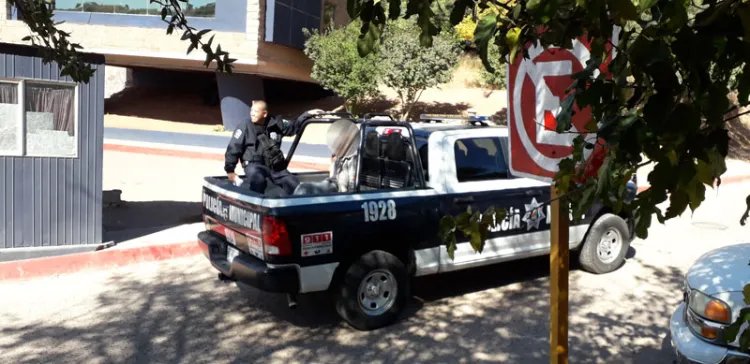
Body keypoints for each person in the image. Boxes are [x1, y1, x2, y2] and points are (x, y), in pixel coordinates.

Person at [224, 100, 323, 195]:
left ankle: (295, 208)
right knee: (258, 180)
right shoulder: (245, 126)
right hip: (254, 165)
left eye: (255, 111)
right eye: (251, 111)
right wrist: (230, 171)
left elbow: (293, 126)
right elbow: (233, 148)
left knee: (293, 183)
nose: (252, 114)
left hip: (275, 167)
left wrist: (307, 114)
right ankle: (256, 206)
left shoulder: (276, 123)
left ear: (264, 114)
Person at [292, 119, 361, 195]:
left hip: (338, 189)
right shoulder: (338, 155)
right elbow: (332, 174)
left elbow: (352, 184)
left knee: (304, 190)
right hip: (331, 183)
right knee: (303, 188)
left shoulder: (352, 158)